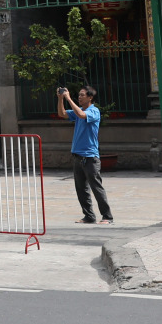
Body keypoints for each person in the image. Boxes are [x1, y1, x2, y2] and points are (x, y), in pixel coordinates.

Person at [57, 84, 112, 224]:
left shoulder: (94, 111)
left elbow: (82, 115)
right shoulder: (78, 110)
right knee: (81, 189)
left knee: (96, 187)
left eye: (82, 95)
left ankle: (107, 217)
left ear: (90, 97)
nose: (80, 97)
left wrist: (68, 98)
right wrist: (60, 99)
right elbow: (62, 114)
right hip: (77, 156)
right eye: (79, 95)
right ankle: (89, 216)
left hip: (90, 157)